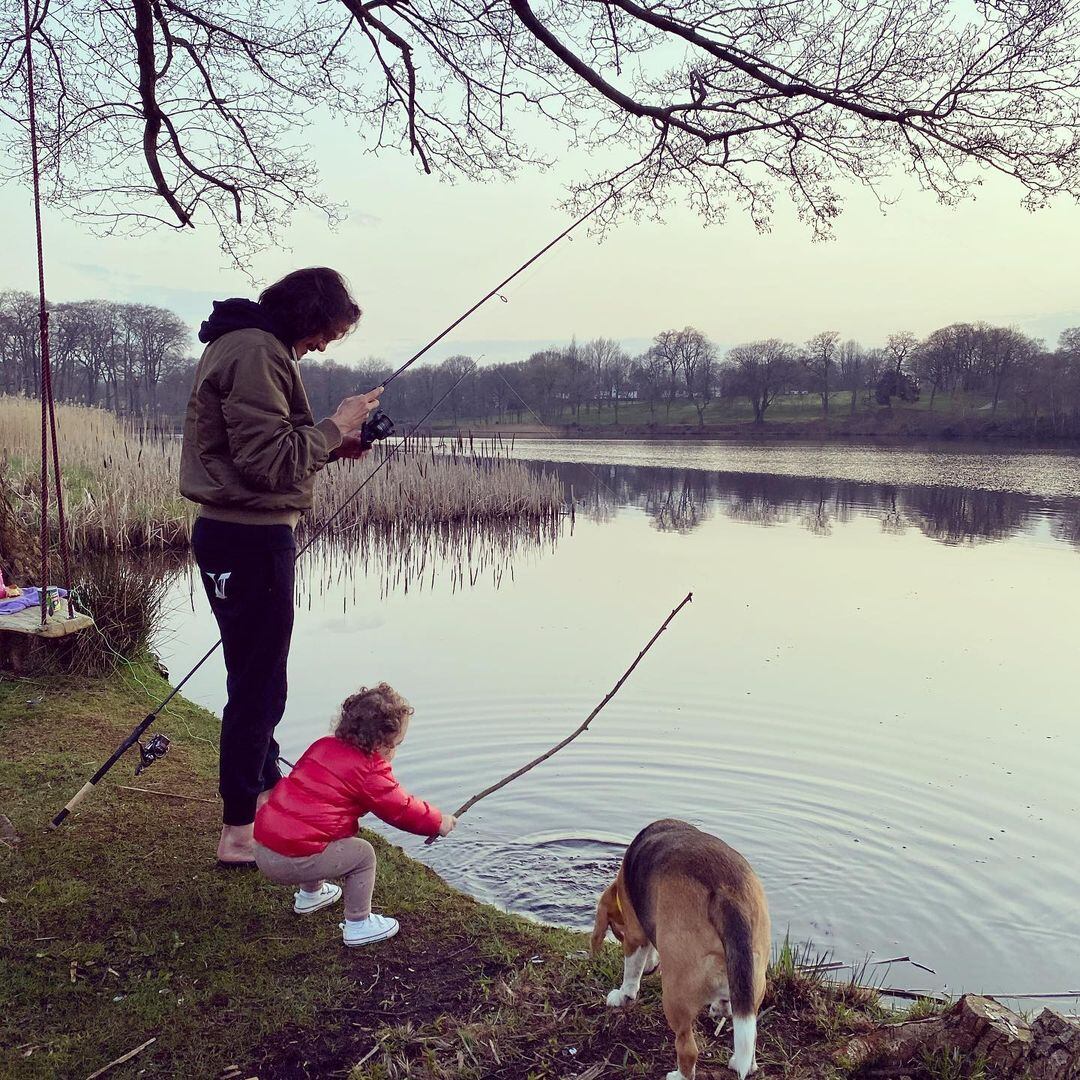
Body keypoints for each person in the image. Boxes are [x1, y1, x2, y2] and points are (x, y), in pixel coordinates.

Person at [180, 267, 384, 868]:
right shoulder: (255, 351)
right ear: (306, 317)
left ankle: (264, 791)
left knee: (258, 676)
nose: (324, 345)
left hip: (236, 535)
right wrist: (334, 426)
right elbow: (270, 463)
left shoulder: (247, 344)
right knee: (258, 685)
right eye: (326, 332)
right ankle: (239, 831)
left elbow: (267, 455)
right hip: (248, 540)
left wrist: (331, 445)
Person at [252, 682, 457, 946]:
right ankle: (358, 924)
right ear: (381, 743)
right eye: (396, 744)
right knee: (362, 855)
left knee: (313, 828)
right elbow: (401, 808)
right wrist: (438, 821)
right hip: (291, 860)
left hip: (262, 846)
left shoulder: (323, 746)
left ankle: (311, 895)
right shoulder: (370, 770)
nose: (395, 751)